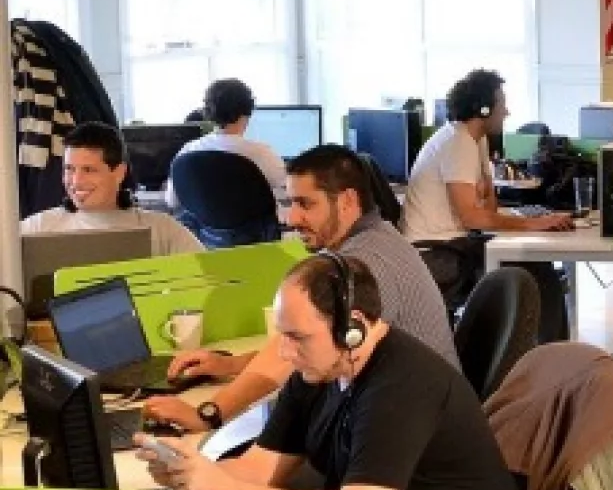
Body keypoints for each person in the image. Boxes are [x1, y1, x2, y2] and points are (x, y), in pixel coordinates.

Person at [134, 253, 528, 490]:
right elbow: (261, 467)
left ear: (352, 328)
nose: (285, 352)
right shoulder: (317, 371)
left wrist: (222, 488)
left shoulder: (402, 383)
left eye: (298, 337)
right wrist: (191, 475)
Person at [143, 144, 460, 432]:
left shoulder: (361, 264)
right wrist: (231, 365)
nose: (292, 218)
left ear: (347, 201)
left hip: (418, 433)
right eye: (290, 203)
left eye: (305, 204)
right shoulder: (375, 240)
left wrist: (209, 414)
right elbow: (303, 348)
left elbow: (292, 356)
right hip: (405, 415)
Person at [401, 69, 574, 240]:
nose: (506, 112)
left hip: (452, 239)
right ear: (484, 110)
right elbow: (471, 218)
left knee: (525, 251)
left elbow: (489, 207)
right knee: (527, 253)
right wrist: (535, 223)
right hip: (433, 246)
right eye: (502, 105)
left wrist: (536, 221)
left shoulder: (478, 138)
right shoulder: (458, 142)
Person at [21, 122, 203, 256]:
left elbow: (207, 280)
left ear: (119, 172)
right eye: (69, 169)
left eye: (88, 170)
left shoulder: (162, 230)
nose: (76, 181)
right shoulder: (37, 229)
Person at [165, 79, 288, 211]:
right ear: (248, 110)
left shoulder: (188, 151)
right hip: (254, 223)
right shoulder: (261, 153)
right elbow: (290, 192)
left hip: (201, 225)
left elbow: (172, 201)